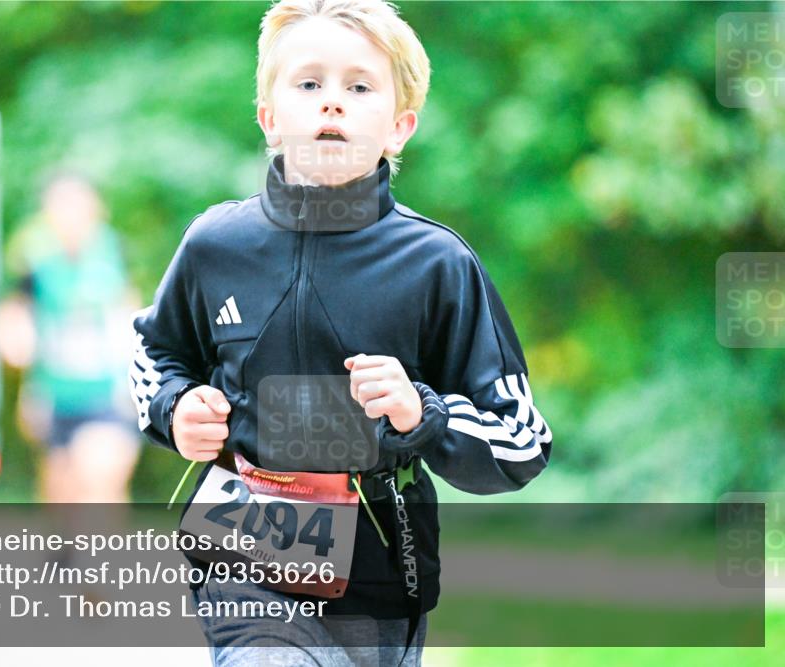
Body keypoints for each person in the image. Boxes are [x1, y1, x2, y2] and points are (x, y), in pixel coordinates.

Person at [129, 1, 553, 664]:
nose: (332, 103)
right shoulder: (216, 244)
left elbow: (522, 439)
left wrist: (424, 413)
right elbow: (154, 353)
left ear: (399, 127)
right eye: (308, 83)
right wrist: (174, 408)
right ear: (269, 117)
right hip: (244, 546)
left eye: (359, 86)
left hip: (381, 568)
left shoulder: (437, 262)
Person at [0, 172, 142, 504]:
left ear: (95, 208)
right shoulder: (35, 259)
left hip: (108, 392)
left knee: (101, 477)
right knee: (62, 496)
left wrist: (136, 382)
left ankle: (104, 556)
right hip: (56, 395)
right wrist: (19, 358)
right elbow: (13, 315)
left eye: (76, 205)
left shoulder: (113, 250)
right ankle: (66, 556)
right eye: (59, 206)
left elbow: (132, 315)